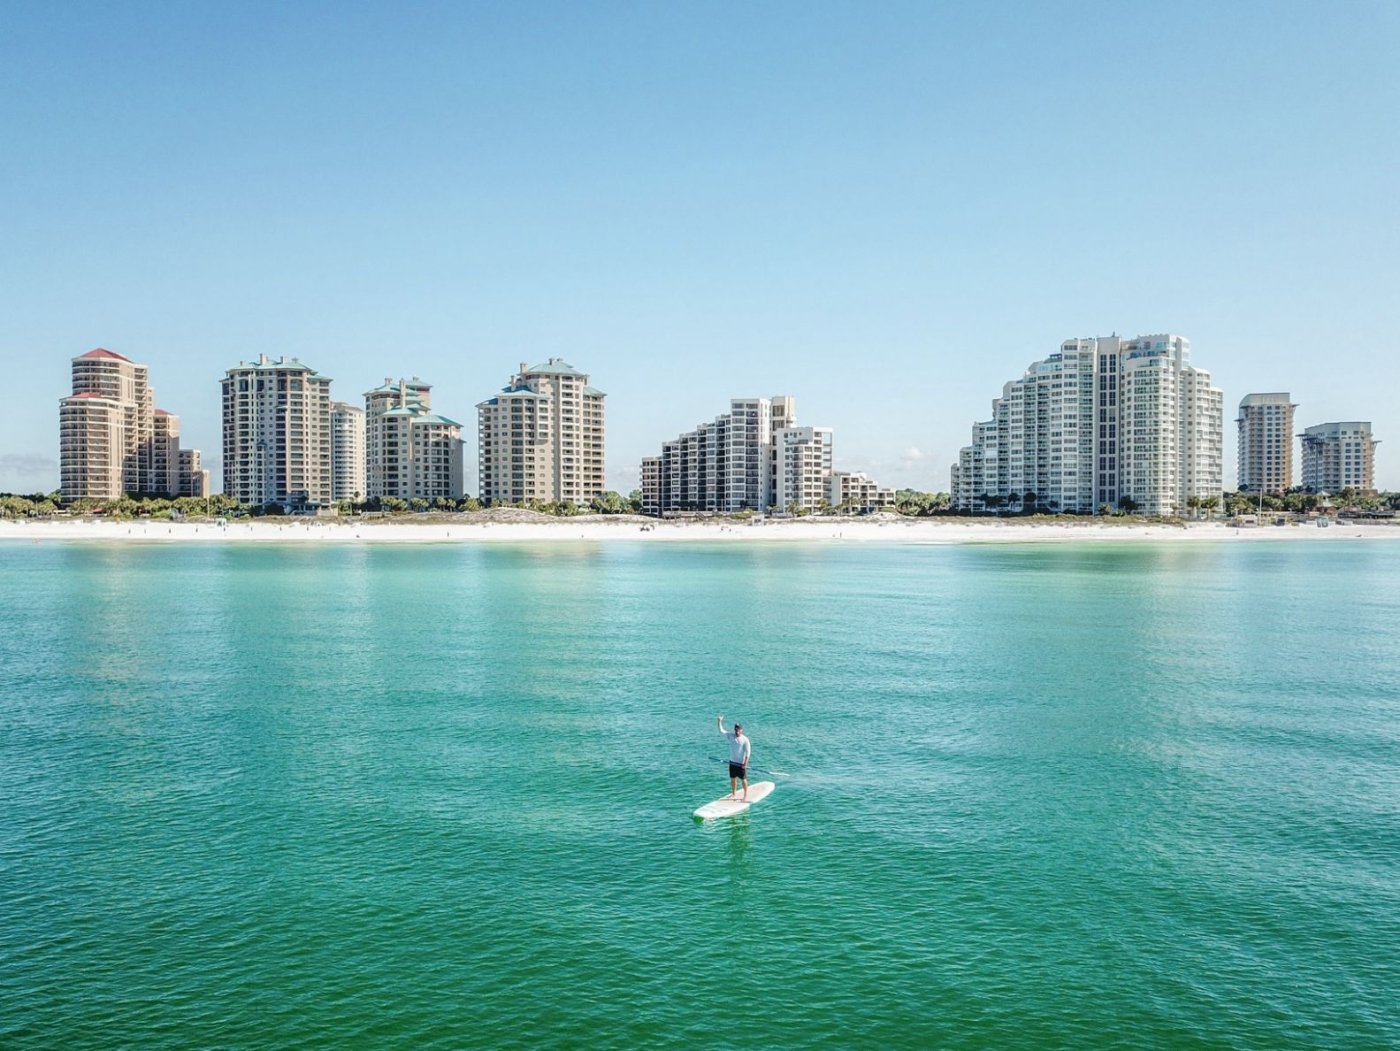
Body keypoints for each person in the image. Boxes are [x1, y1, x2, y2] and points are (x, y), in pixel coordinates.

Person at [717, 714, 751, 800]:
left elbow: (748, 753)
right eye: (736, 729)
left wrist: (745, 763)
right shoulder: (730, 736)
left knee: (743, 780)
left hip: (741, 764)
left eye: (738, 729)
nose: (737, 731)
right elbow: (721, 730)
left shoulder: (745, 740)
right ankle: (733, 793)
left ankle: (745, 795)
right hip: (732, 763)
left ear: (741, 730)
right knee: (733, 779)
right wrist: (719, 721)